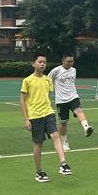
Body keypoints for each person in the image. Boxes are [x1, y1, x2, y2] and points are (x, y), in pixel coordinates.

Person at [20, 53, 72, 182]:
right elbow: (22, 100)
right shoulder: (27, 81)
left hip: (48, 113)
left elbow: (48, 97)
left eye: (44, 62)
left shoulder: (48, 80)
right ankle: (39, 171)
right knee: (39, 143)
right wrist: (26, 119)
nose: (42, 64)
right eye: (40, 62)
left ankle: (63, 163)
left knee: (55, 135)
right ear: (34, 64)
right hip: (34, 116)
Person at [47, 54, 94, 152]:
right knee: (63, 123)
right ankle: (64, 142)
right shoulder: (56, 71)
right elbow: (47, 81)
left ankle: (86, 127)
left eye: (72, 61)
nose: (70, 63)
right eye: (68, 61)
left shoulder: (74, 70)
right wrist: (48, 96)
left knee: (79, 110)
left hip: (73, 97)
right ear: (63, 61)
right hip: (61, 100)